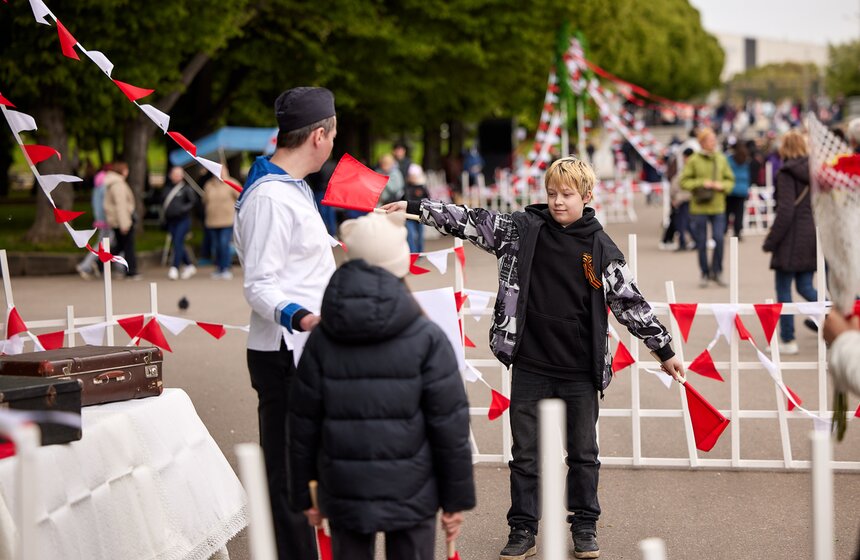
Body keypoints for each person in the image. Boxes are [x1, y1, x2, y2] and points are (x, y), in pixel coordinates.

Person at [383, 156, 685, 560]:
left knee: (583, 454)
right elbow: (469, 219)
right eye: (552, 193)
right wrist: (415, 207)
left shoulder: (601, 248)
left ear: (587, 196)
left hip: (580, 370)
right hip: (530, 364)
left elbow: (630, 303)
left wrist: (664, 350)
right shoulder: (520, 230)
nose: (558, 201)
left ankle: (584, 525)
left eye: (567, 194)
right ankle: (523, 528)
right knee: (525, 455)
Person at [289, 212, 475, 560]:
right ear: (400, 264)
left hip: (343, 488)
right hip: (414, 488)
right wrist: (455, 500)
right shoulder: (427, 336)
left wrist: (305, 495)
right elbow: (450, 425)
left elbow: (302, 424)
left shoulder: (322, 338)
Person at [233, 86, 337, 560]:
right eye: (333, 133)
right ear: (318, 136)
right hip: (284, 352)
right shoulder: (271, 198)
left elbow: (301, 263)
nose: (333, 142)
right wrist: (307, 318)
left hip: (304, 349)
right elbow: (259, 284)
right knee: (290, 478)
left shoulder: (291, 188)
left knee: (308, 469)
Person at [762, 130, 817, 356]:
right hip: (811, 234)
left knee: (784, 289)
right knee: (806, 287)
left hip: (791, 237)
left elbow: (785, 211)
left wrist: (771, 241)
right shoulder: (815, 172)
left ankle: (788, 338)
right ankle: (839, 322)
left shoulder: (786, 172)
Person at [680, 127, 735, 288]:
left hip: (718, 206)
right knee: (701, 242)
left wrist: (721, 185)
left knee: (719, 239)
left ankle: (717, 271)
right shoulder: (694, 160)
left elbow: (730, 181)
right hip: (699, 207)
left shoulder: (721, 159)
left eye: (714, 140)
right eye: (710, 140)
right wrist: (702, 183)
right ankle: (704, 273)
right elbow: (684, 181)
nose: (713, 143)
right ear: (702, 142)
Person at [102, 160, 139, 280]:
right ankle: (131, 270)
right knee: (127, 246)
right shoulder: (118, 185)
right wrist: (125, 224)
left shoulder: (114, 183)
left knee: (120, 246)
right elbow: (121, 205)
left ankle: (100, 263)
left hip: (116, 220)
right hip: (121, 220)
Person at [76, 163, 113, 279]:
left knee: (105, 244)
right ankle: (85, 265)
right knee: (103, 244)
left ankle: (95, 264)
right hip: (107, 219)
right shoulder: (105, 186)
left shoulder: (98, 185)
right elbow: (107, 204)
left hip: (100, 219)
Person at [162, 166, 198, 280]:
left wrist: (182, 209)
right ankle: (189, 265)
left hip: (183, 220)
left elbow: (193, 202)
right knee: (177, 243)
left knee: (178, 241)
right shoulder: (167, 189)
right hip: (171, 220)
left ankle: (175, 267)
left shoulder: (186, 189)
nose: (176, 176)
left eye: (178, 174)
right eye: (174, 174)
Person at [202, 173, 240, 279]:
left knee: (224, 244)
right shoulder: (209, 184)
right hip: (212, 220)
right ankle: (219, 267)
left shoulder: (231, 182)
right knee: (216, 245)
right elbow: (205, 200)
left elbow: (240, 196)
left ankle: (226, 267)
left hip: (227, 220)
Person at [725, 141, 752, 240]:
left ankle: (724, 229)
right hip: (742, 189)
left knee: (727, 212)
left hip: (731, 188)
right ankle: (738, 231)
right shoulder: (746, 159)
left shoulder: (729, 159)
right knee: (739, 213)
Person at [405, 163, 429, 253]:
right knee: (410, 235)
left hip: (420, 215)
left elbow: (428, 200)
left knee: (420, 235)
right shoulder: (406, 188)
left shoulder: (422, 188)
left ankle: (420, 252)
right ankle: (413, 253)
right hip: (409, 215)